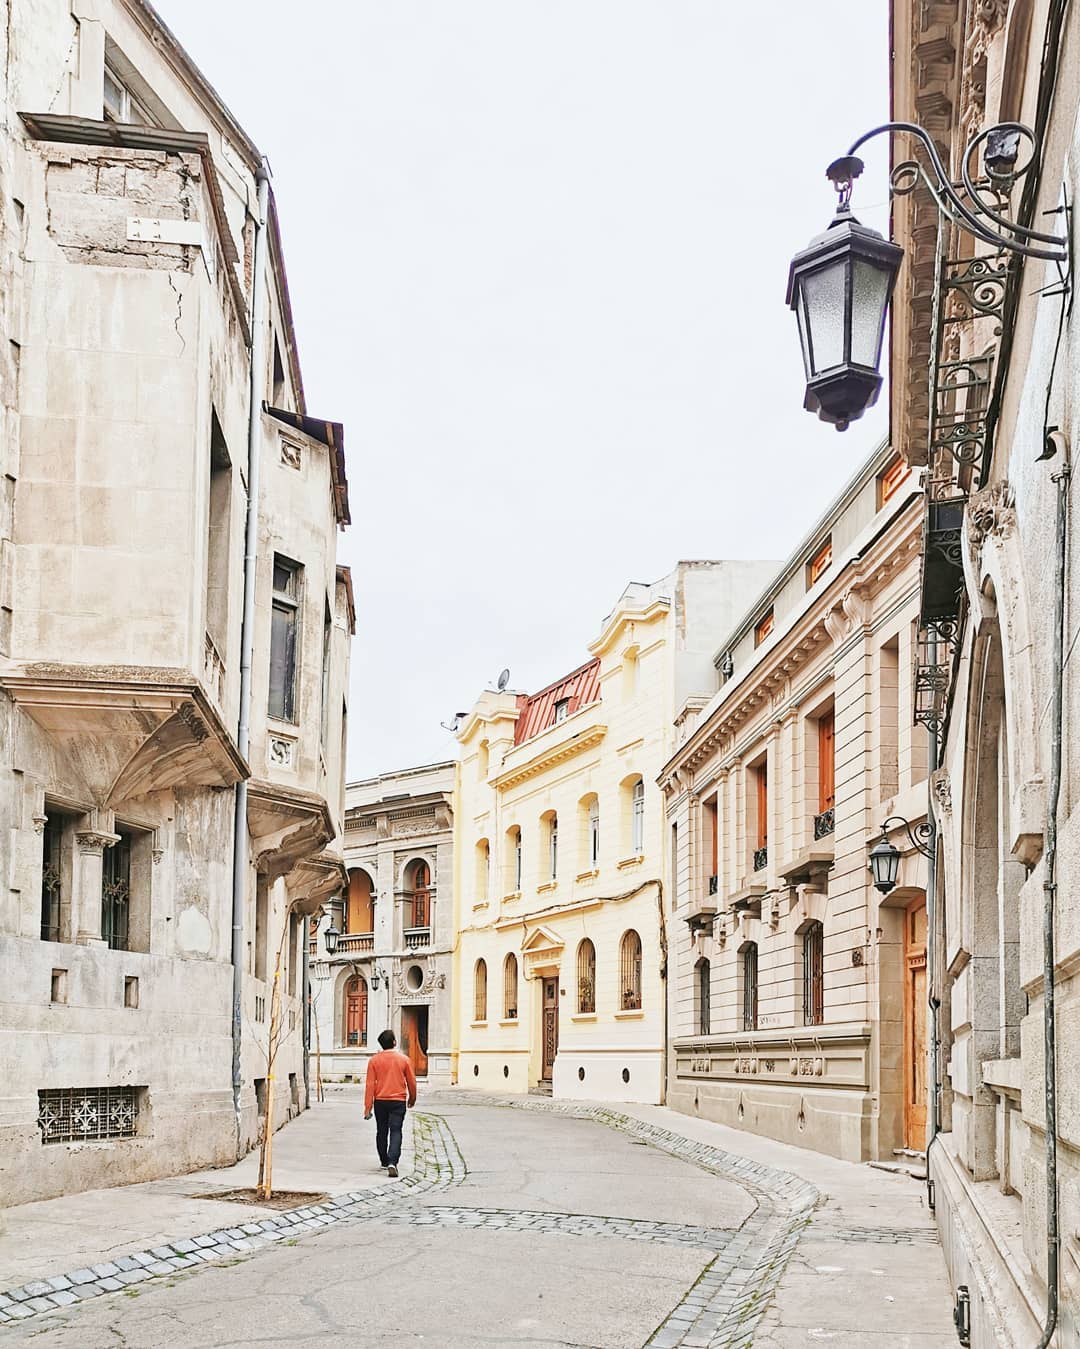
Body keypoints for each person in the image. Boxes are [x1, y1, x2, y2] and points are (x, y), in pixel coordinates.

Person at [364, 1028, 417, 1177]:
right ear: (394, 1042)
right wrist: (412, 1098)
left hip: (380, 1101)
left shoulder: (374, 1061)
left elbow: (370, 1085)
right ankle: (393, 1161)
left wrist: (368, 1108)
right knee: (396, 1131)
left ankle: (384, 1161)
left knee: (381, 1131)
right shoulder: (404, 1060)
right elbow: (412, 1082)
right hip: (398, 1101)